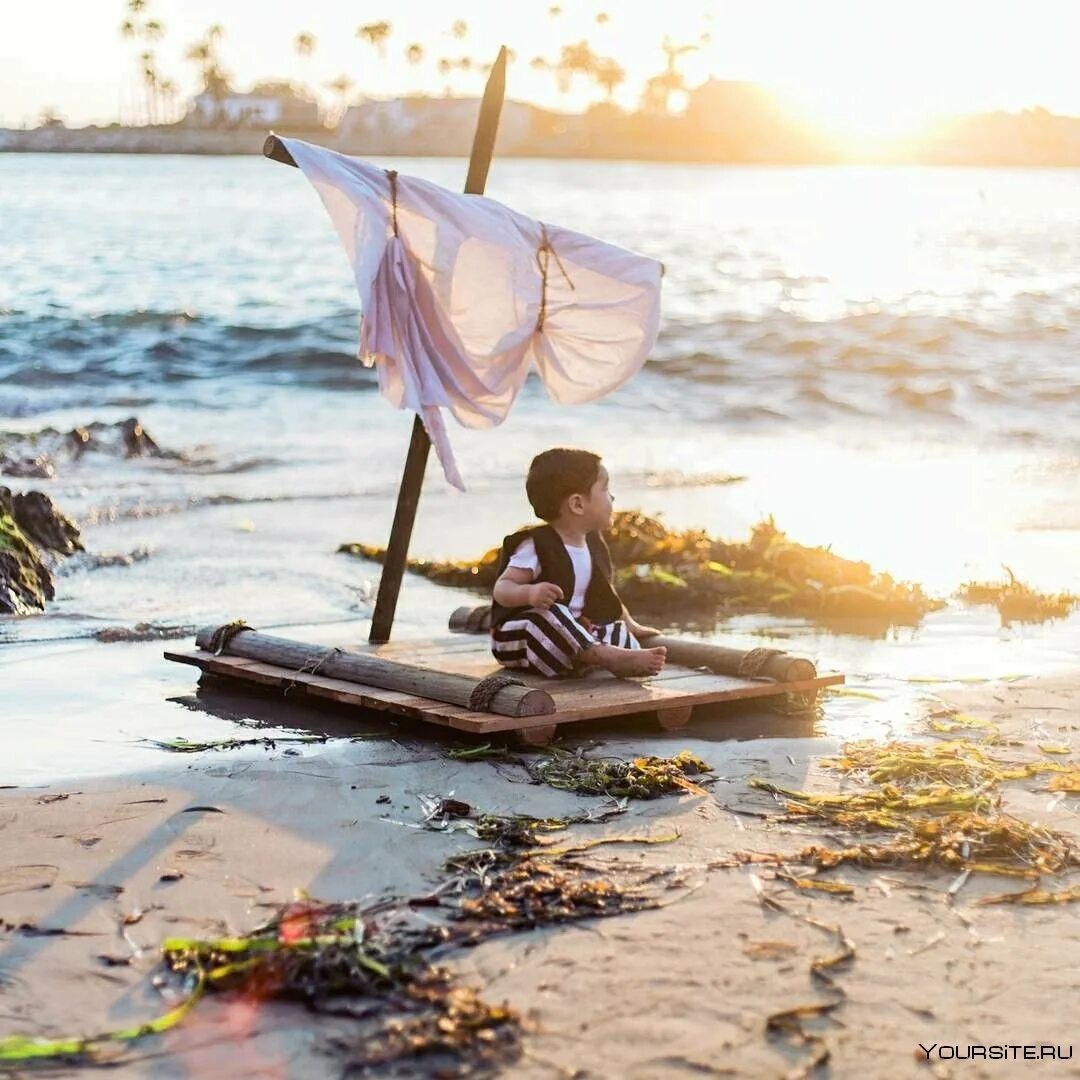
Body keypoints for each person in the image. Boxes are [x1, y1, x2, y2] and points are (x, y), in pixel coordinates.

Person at [490, 448, 667, 678]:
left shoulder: (592, 544)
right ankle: (602, 656)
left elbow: (607, 595)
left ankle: (612, 657)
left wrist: (632, 626)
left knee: (614, 630)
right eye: (605, 489)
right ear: (577, 504)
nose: (612, 497)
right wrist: (529, 593)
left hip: (568, 637)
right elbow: (502, 589)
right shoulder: (538, 546)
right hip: (519, 641)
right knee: (549, 615)